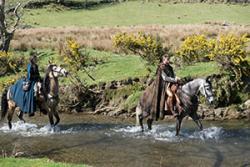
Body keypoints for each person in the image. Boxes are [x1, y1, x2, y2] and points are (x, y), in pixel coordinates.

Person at [154, 54, 182, 120]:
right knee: (171, 95)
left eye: (169, 59)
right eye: (167, 59)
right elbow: (165, 78)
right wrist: (174, 79)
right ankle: (172, 110)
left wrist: (177, 77)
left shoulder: (170, 67)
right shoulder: (161, 67)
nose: (169, 61)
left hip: (172, 83)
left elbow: (173, 75)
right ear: (164, 60)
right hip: (165, 85)